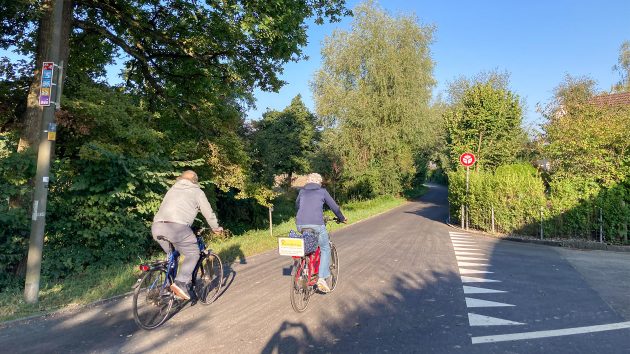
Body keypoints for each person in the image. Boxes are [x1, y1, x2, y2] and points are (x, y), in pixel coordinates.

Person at [152, 170, 223, 300]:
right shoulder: (197, 192)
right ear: (195, 181)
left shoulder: (172, 189)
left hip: (157, 227)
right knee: (193, 253)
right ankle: (180, 283)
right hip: (177, 228)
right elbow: (208, 213)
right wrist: (216, 228)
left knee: (172, 255)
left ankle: (167, 287)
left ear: (181, 178)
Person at [295, 173, 346, 293]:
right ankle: (321, 278)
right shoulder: (322, 191)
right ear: (319, 182)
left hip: (300, 224)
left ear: (308, 181)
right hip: (316, 224)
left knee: (308, 245)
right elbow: (334, 207)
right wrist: (342, 218)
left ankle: (305, 270)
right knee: (325, 248)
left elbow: (297, 206)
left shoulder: (302, 192)